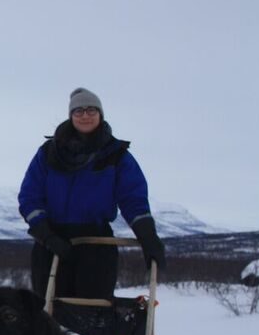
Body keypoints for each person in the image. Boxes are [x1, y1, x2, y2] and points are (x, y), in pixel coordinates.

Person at [18, 87, 166, 299]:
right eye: (78, 111)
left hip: (96, 245)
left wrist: (148, 237)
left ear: (100, 114)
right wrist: (45, 234)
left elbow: (133, 198)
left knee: (95, 314)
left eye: (91, 110)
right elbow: (30, 196)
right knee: (49, 313)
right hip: (53, 242)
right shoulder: (49, 152)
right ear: (71, 116)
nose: (85, 115)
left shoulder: (116, 155)